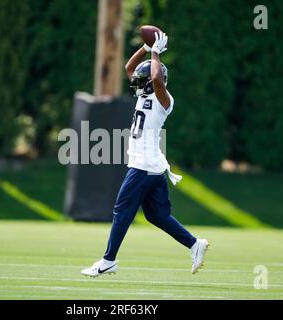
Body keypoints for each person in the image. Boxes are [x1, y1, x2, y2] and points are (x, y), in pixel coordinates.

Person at [81, 32, 209, 277]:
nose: (137, 84)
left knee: (121, 211)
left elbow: (157, 81)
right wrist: (145, 46)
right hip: (153, 166)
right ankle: (194, 244)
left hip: (143, 165)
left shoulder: (163, 99)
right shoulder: (145, 93)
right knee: (157, 215)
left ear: (153, 80)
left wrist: (156, 53)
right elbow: (129, 67)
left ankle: (108, 260)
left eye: (143, 80)